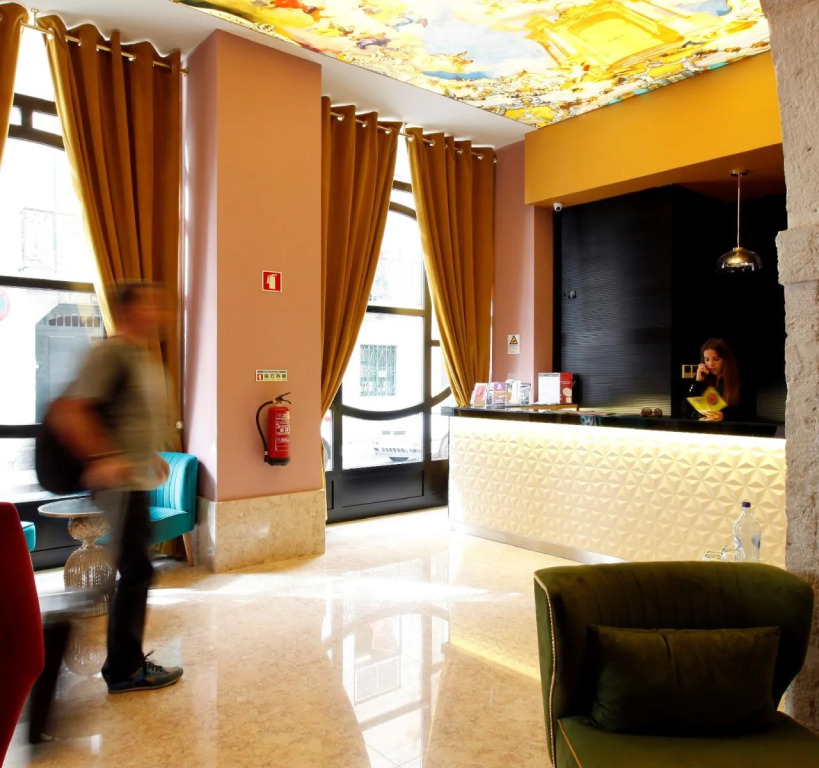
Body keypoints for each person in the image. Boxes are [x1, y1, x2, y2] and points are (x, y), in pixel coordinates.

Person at [48, 281, 183, 693]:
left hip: (133, 480)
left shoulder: (140, 357)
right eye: (152, 305)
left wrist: (149, 456)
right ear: (129, 310)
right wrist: (103, 458)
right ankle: (124, 670)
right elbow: (70, 412)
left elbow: (129, 419)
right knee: (136, 571)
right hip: (118, 484)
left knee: (135, 570)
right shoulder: (111, 353)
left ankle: (123, 664)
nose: (161, 312)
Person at [683, 338, 745, 422]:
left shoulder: (738, 380)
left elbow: (746, 413)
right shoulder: (703, 378)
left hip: (725, 427)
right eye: (707, 359)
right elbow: (685, 410)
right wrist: (698, 382)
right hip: (701, 425)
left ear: (725, 360)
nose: (711, 364)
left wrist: (724, 416)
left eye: (716, 359)